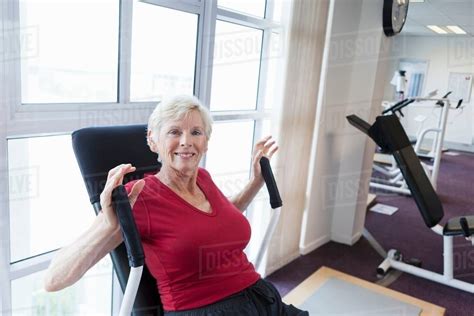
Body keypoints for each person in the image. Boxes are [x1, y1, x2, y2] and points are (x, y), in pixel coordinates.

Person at [44, 95, 308, 315]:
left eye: (196, 132)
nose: (186, 141)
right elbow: (54, 280)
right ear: (152, 140)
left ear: (206, 141)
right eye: (174, 132)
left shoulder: (203, 178)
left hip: (262, 297)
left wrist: (256, 182)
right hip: (205, 310)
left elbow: (220, 219)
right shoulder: (137, 196)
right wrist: (106, 224)